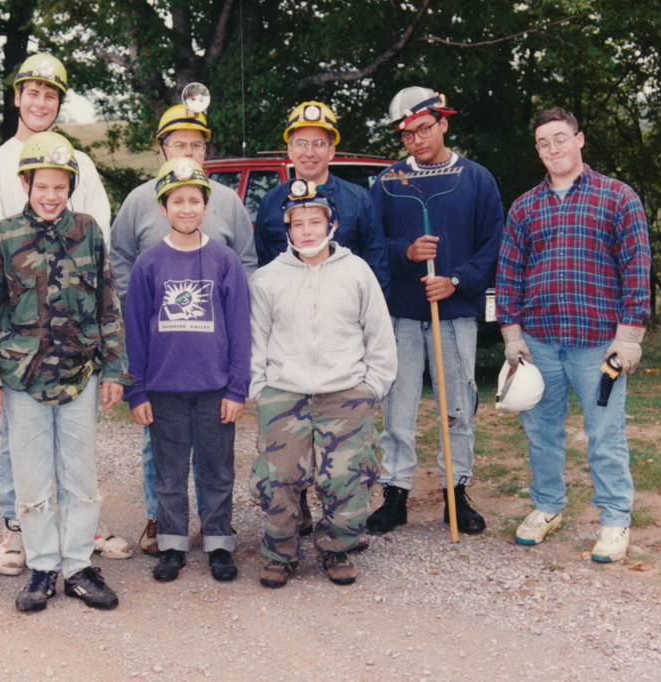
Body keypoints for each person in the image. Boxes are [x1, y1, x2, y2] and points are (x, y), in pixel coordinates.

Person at [0, 53, 129, 575]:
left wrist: (111, 363)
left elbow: (98, 265)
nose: (40, 102)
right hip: (21, 354)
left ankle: (78, 546)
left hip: (75, 353)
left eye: (51, 95)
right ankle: (23, 535)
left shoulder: (78, 165)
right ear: (17, 97)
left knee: (77, 457)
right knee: (20, 450)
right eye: (31, 92)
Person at [496, 107, 651, 563]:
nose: (552, 148)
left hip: (599, 346)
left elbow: (636, 271)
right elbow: (508, 277)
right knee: (541, 431)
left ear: (580, 140)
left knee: (604, 432)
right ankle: (547, 506)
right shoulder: (524, 206)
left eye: (560, 138)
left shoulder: (618, 198)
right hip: (540, 343)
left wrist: (630, 338)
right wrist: (511, 336)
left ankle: (615, 518)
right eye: (543, 143)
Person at [110, 100, 256, 555]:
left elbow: (246, 266)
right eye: (178, 144)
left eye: (196, 144)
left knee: (216, 461)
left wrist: (237, 381)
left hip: (212, 361)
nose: (187, 150)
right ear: (162, 148)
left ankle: (216, 536)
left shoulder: (228, 202)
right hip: (163, 364)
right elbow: (120, 260)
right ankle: (162, 527)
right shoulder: (139, 201)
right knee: (164, 457)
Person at [366, 87, 503, 536]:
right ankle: (395, 491)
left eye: (425, 129)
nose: (417, 140)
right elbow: (371, 246)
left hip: (455, 309)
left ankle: (455, 491)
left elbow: (493, 243)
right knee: (399, 402)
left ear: (443, 123)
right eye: (407, 134)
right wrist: (405, 251)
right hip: (403, 312)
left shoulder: (476, 178)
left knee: (458, 402)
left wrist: (457, 280)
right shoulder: (387, 182)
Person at [249, 181, 396, 588]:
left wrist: (371, 387)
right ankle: (281, 553)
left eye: (316, 221)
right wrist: (260, 391)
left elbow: (379, 336)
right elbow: (255, 342)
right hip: (285, 394)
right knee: (278, 480)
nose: (308, 230)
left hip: (345, 393)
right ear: (288, 229)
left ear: (332, 224)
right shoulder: (267, 279)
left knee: (344, 479)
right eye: (299, 224)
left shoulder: (357, 272)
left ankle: (337, 549)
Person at [253, 101, 388, 289]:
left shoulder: (359, 200)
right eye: (301, 144)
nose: (309, 152)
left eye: (319, 144)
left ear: (331, 151)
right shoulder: (270, 202)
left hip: (343, 314)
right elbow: (262, 267)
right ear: (290, 150)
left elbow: (377, 268)